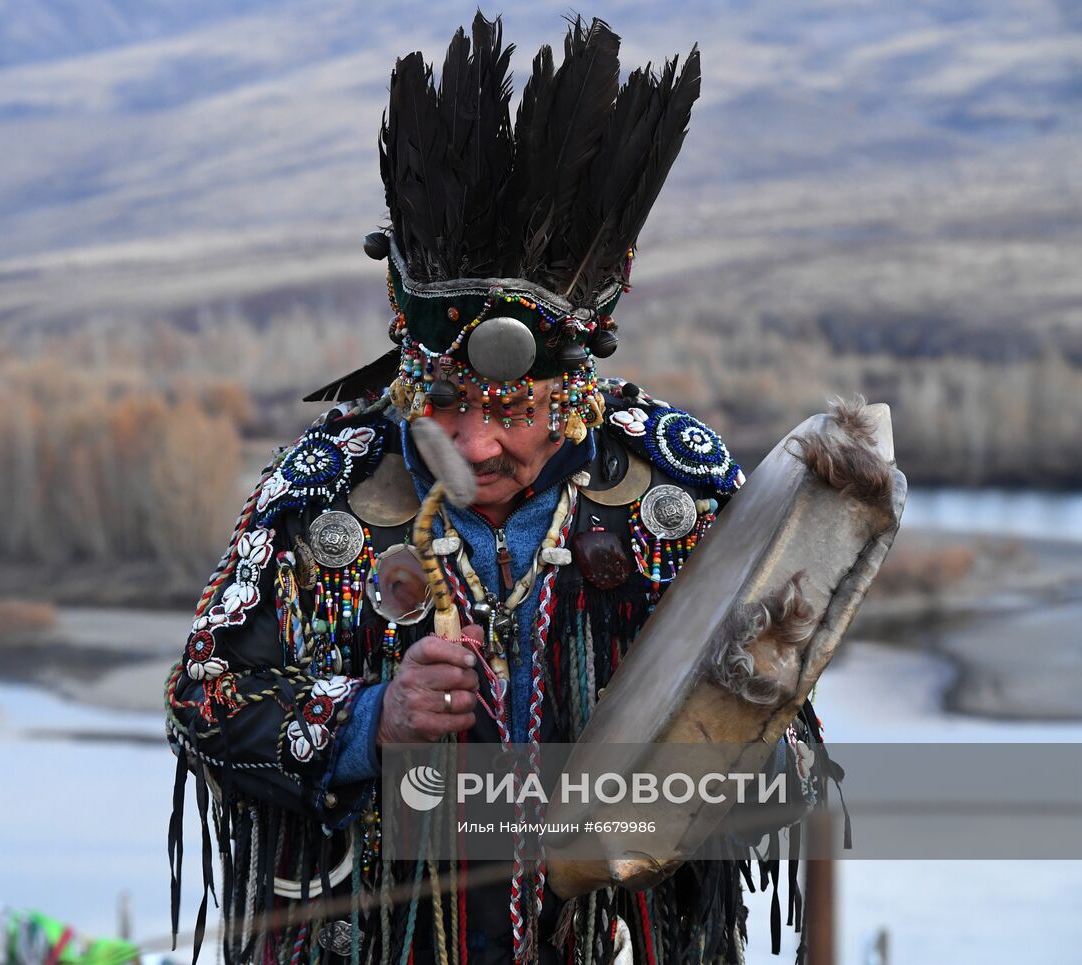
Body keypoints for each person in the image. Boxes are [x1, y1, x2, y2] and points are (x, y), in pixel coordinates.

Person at [166, 12, 827, 964]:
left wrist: (701, 758)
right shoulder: (322, 495)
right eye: (440, 403)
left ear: (576, 387)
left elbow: (797, 751)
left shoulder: (676, 489)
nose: (471, 444)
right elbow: (205, 694)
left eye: (512, 409)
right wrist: (368, 719)